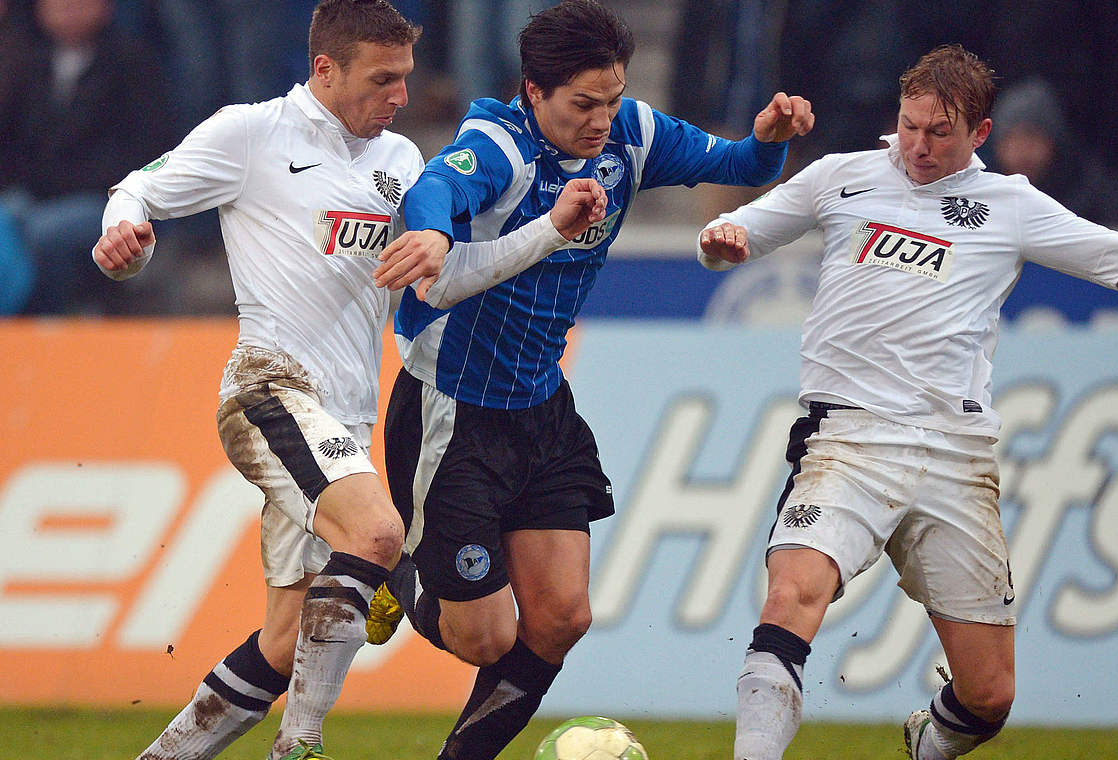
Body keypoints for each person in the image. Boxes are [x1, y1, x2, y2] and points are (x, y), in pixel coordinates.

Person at [695, 44, 1118, 760]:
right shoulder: (841, 178)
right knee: (791, 596)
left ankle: (927, 741)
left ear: (979, 134)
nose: (918, 147)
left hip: (956, 457)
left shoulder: (1010, 206)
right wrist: (720, 240)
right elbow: (729, 235)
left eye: (939, 133)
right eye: (910, 126)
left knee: (988, 697)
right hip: (849, 440)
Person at [91, 2, 604, 758]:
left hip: (346, 417)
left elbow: (449, 278)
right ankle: (300, 742)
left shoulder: (399, 164)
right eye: (383, 80)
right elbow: (139, 189)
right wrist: (124, 239)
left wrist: (547, 232)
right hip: (270, 387)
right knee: (378, 532)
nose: (401, 97)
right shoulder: (251, 133)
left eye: (406, 78)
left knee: (284, 638)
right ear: (325, 70)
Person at [362, 2, 811, 758]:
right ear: (534, 92)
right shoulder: (500, 144)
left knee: (563, 616)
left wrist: (767, 141)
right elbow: (437, 185)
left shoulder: (631, 133)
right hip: (453, 412)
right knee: (484, 636)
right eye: (583, 104)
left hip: (541, 407)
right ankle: (397, 569)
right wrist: (435, 232)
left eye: (611, 98)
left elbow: (734, 166)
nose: (602, 118)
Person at [0, 0, 173, 314]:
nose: (69, 11)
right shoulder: (24, 60)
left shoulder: (131, 61)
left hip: (101, 196)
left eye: (79, 4)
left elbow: (146, 147)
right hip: (30, 194)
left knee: (46, 233)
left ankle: (54, 317)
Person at [989, 77, 1118, 226]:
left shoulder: (1092, 189)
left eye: (1032, 136)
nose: (1022, 150)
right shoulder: (983, 192)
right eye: (1012, 139)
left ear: (1053, 142)